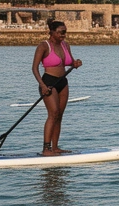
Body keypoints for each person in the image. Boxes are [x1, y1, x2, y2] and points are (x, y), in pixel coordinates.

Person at [31, 19, 82, 155]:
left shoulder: (66, 45)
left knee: (59, 115)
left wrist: (76, 63)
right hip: (48, 82)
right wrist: (42, 85)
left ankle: (55, 147)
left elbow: (70, 62)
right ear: (52, 32)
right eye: (61, 32)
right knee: (53, 114)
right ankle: (46, 149)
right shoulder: (43, 46)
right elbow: (34, 68)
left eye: (65, 32)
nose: (63, 35)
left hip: (62, 82)